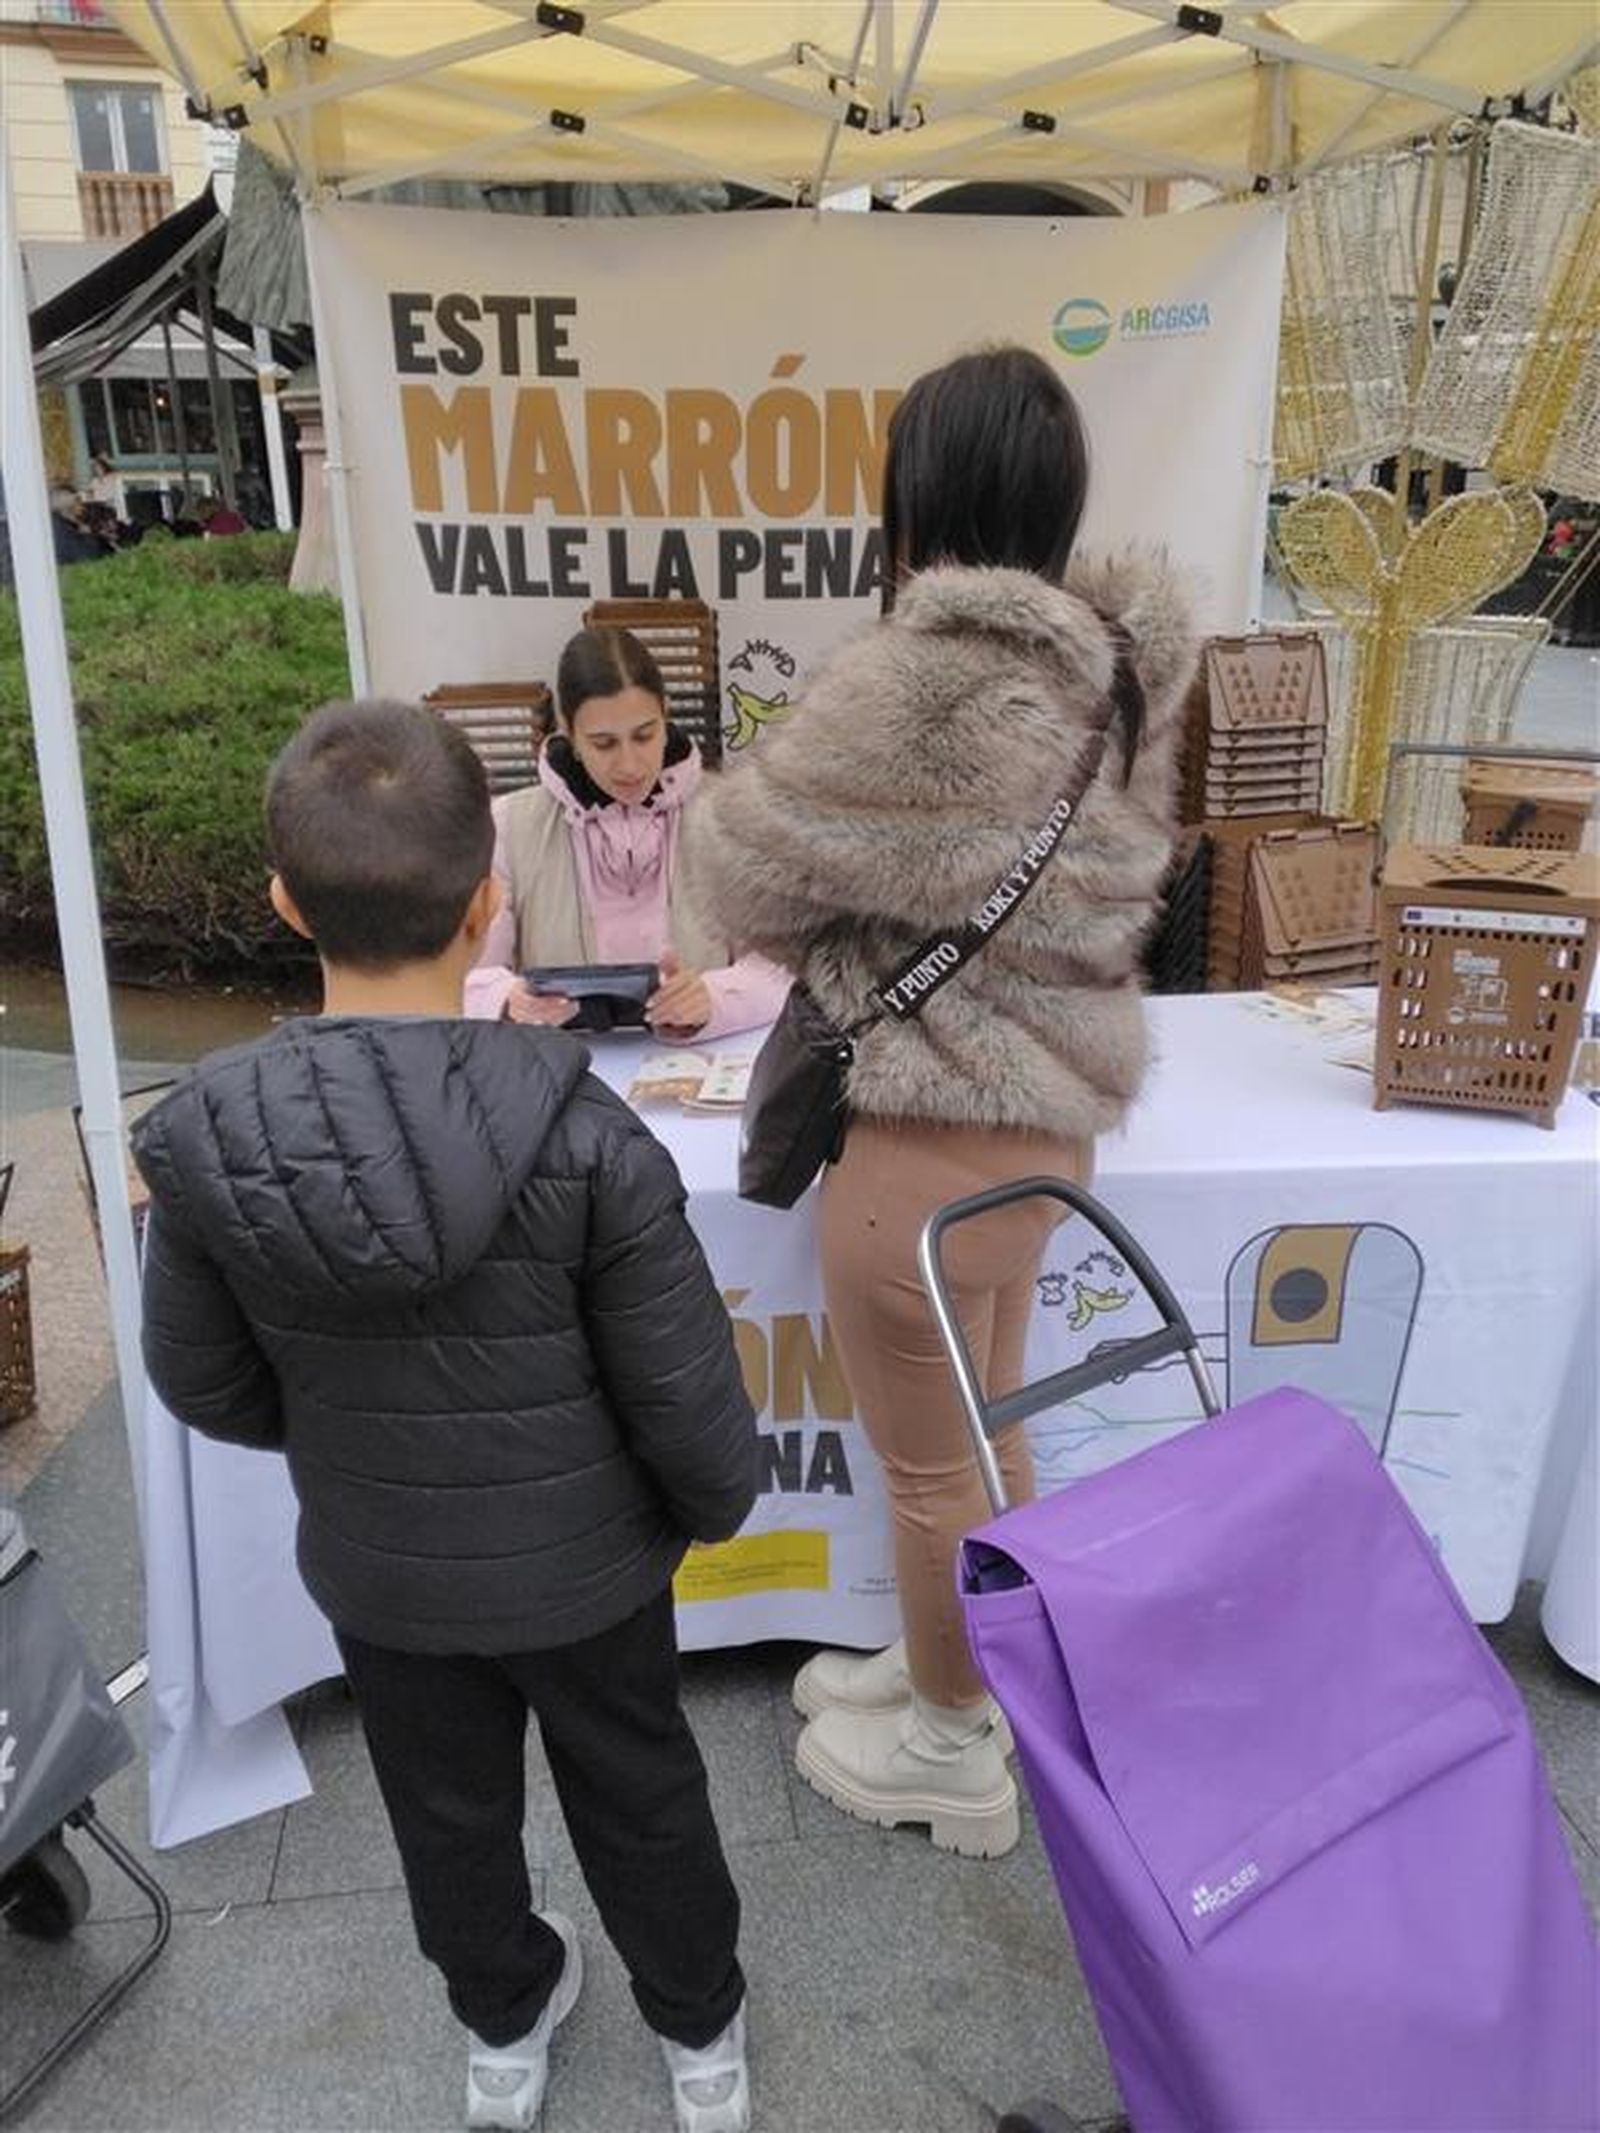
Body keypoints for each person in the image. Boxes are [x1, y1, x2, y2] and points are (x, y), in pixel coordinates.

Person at [133, 699, 759, 2133]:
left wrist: (351, 1446)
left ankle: (504, 2026)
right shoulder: (593, 1131)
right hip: (589, 1568)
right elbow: (693, 1407)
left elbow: (204, 1382)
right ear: (489, 899)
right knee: (642, 1790)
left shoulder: (206, 1133)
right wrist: (690, 1516)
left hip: (382, 1567)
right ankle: (700, 2038)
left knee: (446, 1813)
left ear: (284, 901)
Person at [685, 345, 1198, 1861]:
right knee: (993, 1428)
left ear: (918, 498)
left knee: (928, 1461)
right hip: (1046, 1134)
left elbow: (730, 873)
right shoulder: (1117, 668)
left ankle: (953, 1743)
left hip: (917, 1144)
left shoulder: (917, 683)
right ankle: (957, 1667)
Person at [465, 625, 787, 1039]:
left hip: (701, 1077)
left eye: (644, 735)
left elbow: (782, 965)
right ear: (569, 732)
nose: (630, 765)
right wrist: (508, 999)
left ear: (666, 714)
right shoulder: (509, 828)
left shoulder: (730, 815)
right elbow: (464, 973)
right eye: (604, 743)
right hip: (560, 1080)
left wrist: (715, 998)